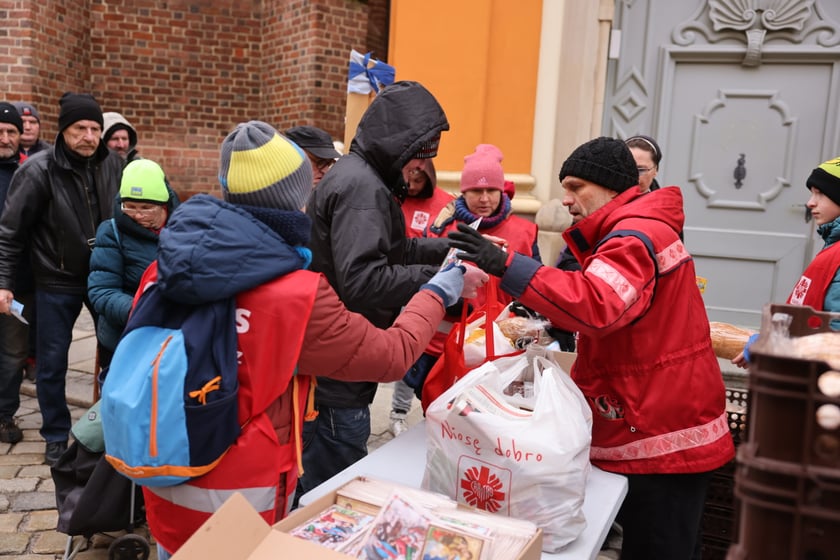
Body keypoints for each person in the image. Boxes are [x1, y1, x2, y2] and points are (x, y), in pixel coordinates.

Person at [139, 120, 483, 559]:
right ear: (296, 197)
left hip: (166, 474)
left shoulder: (163, 266)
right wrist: (438, 290)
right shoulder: (294, 295)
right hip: (241, 500)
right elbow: (391, 355)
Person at [447, 136, 735, 560]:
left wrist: (508, 266)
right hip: (664, 413)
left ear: (612, 188)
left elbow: (597, 304)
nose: (565, 199)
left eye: (576, 186)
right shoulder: (637, 228)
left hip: (660, 426)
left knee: (658, 547)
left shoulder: (633, 237)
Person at [300, 80, 454, 499]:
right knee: (329, 498)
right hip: (337, 381)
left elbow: (394, 248)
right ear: (399, 147)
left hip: (337, 367)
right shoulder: (362, 188)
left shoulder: (361, 175)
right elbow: (363, 280)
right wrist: (438, 283)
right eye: (417, 158)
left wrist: (449, 249)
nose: (419, 170)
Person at [0, 92, 124, 465]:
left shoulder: (113, 166)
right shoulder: (37, 170)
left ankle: (106, 429)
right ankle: (55, 434)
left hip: (103, 277)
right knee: (52, 363)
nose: (89, 136)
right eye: (80, 129)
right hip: (55, 280)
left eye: (95, 129)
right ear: (64, 131)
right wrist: (4, 283)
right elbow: (10, 233)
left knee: (118, 353)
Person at [733, 155, 840, 368]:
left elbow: (834, 333)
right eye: (811, 193)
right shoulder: (833, 246)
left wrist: (773, 343)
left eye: (821, 194)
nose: (810, 202)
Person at [88, 159, 179, 369]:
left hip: (169, 340)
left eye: (146, 208)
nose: (137, 215)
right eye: (129, 207)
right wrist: (140, 309)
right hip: (123, 339)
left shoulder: (183, 229)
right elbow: (101, 290)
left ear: (164, 205)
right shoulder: (111, 232)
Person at [390, 157, 455, 436]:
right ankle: (397, 412)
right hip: (397, 281)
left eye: (419, 181)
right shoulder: (393, 198)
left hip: (429, 280)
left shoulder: (445, 204)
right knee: (406, 348)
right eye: (409, 180)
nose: (412, 186)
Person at [0, 102, 29, 443]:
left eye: (11, 132)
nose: (5, 138)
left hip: (19, 283)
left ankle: (4, 415)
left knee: (12, 354)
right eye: (0, 132)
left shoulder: (30, 170)